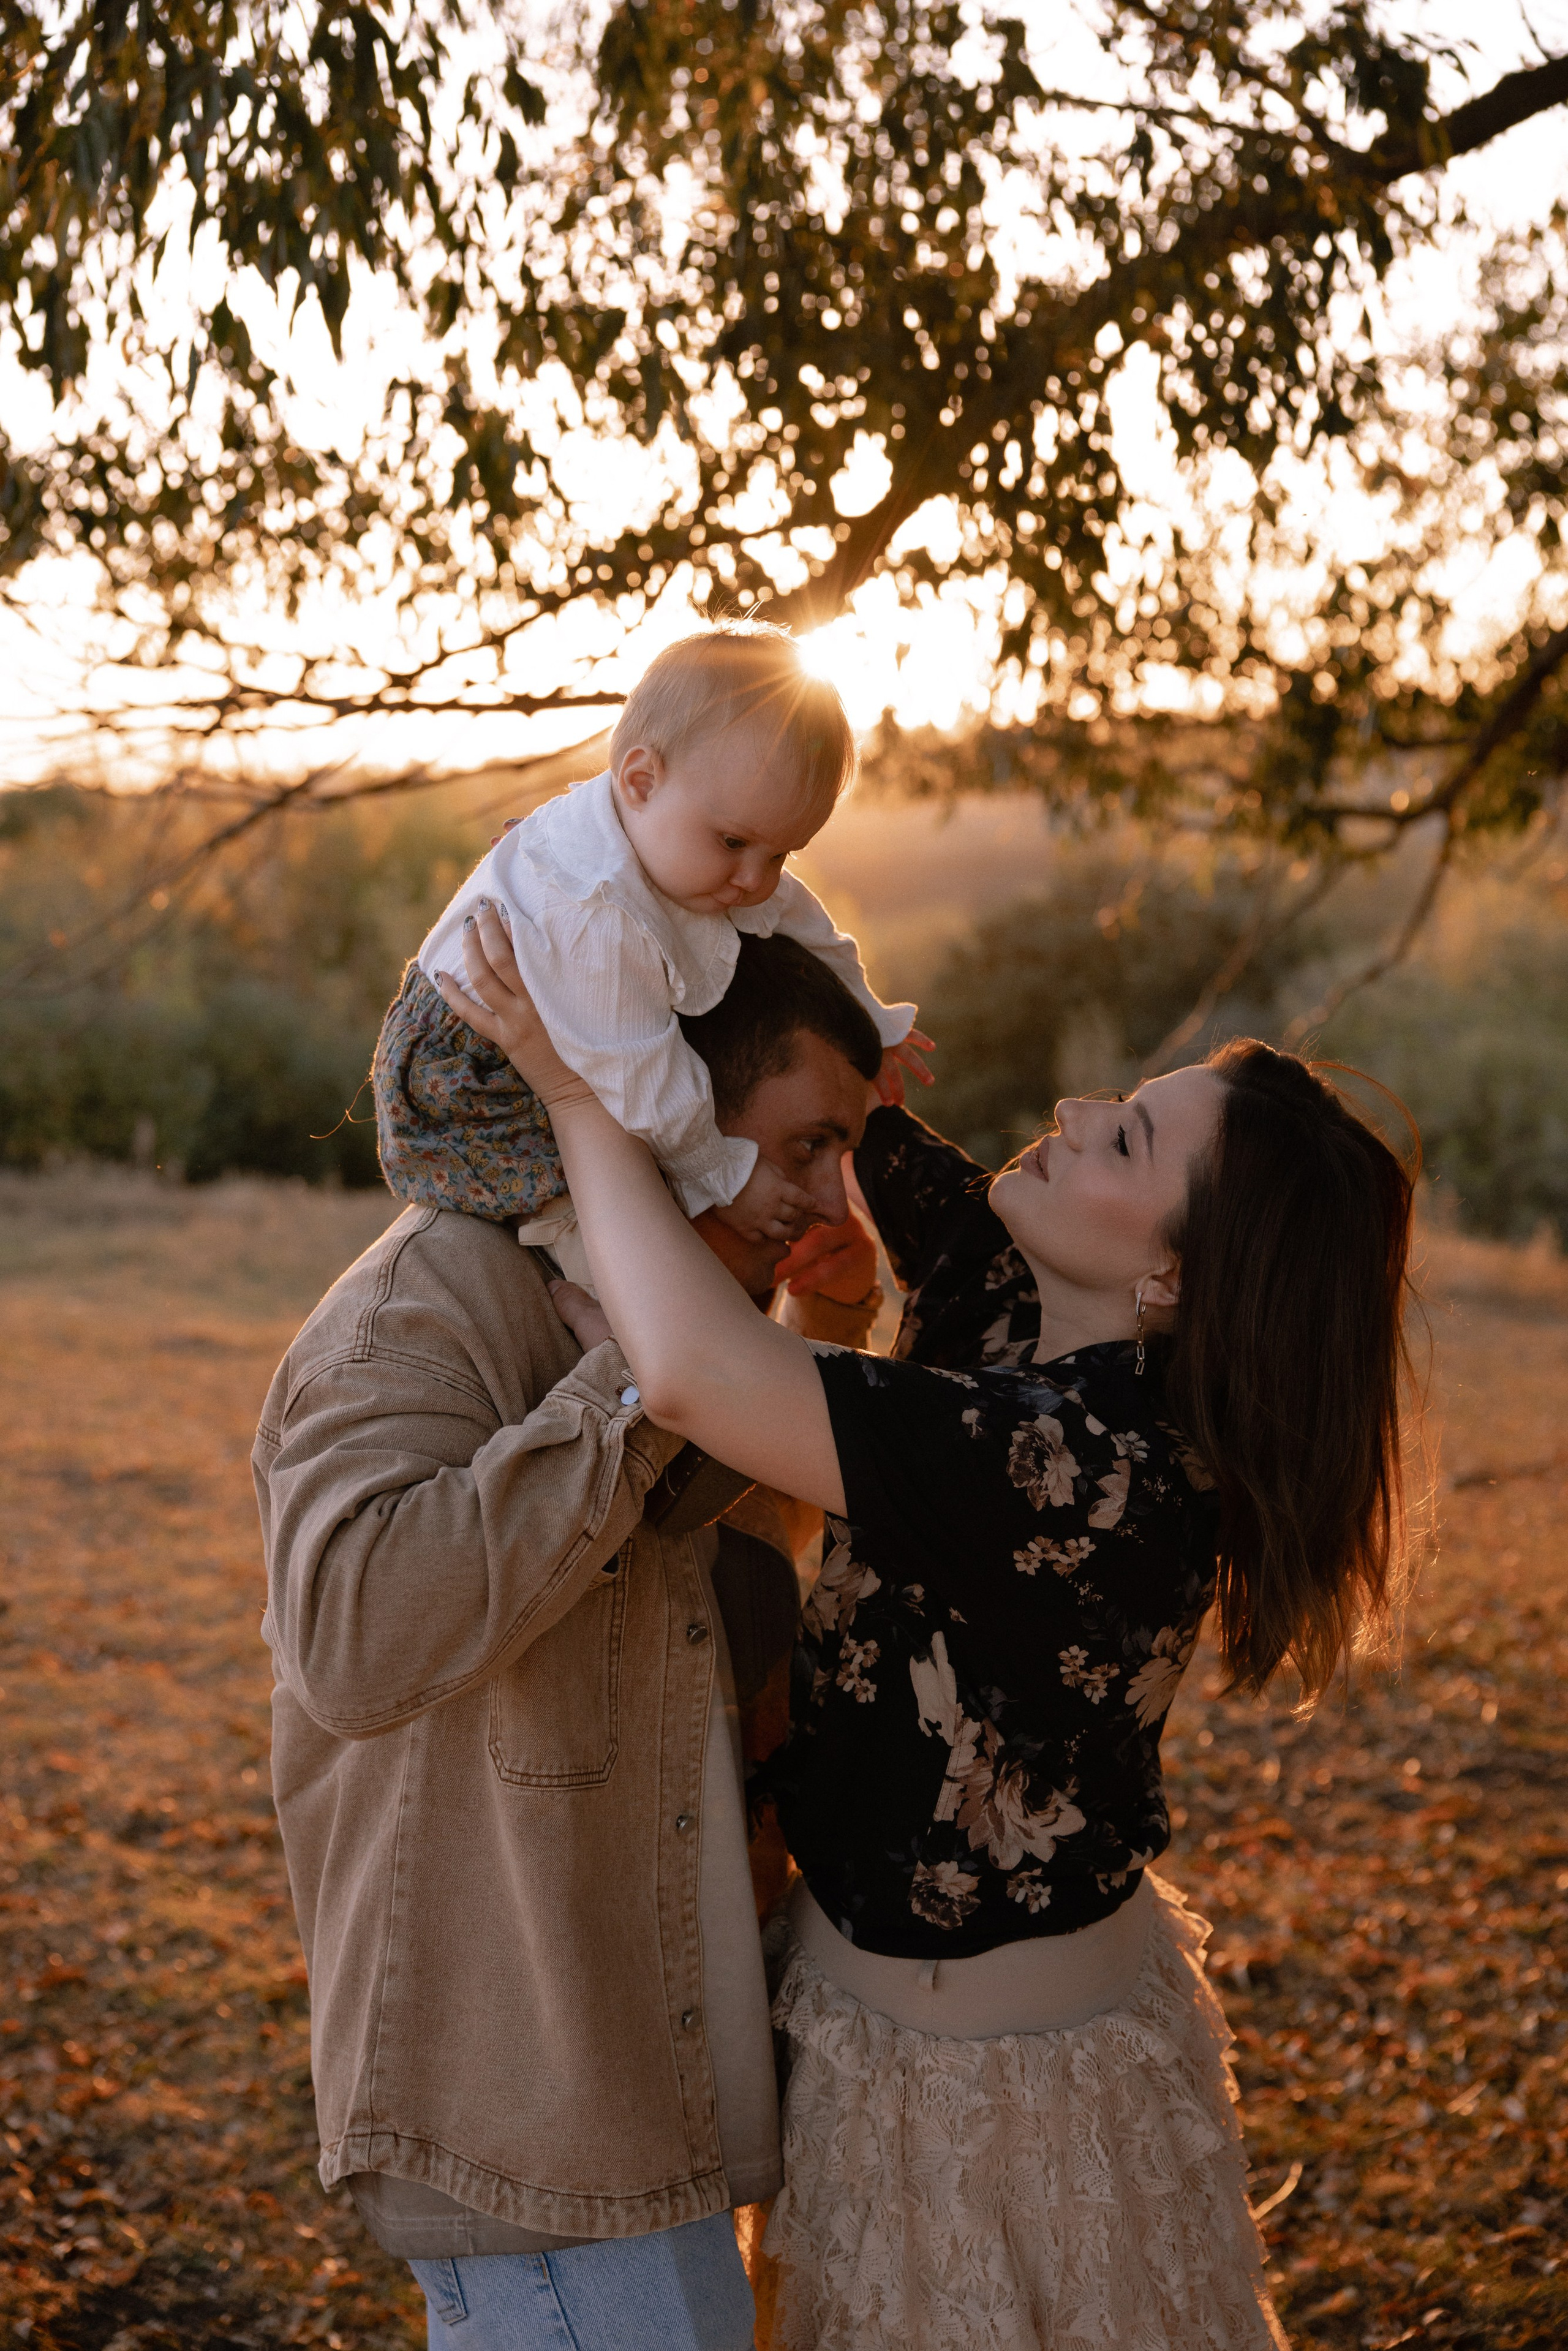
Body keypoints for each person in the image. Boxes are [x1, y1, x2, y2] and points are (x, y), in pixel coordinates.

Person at [440, 904, 1421, 2351]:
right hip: (858, 2037)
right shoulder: (1011, 1288)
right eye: (1117, 1103)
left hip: (1010, 2098)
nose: (1077, 1111)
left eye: (1129, 1141)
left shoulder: (1097, 1468)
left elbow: (704, 1375)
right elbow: (849, 1109)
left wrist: (576, 1085)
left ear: (1169, 1281)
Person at [253, 933, 886, 2351]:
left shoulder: (651, 1309)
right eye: (802, 1146)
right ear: (662, 1108)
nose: (821, 1194)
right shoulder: (427, 1306)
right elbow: (350, 1637)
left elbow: (708, 1572)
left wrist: (812, 1323)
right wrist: (631, 1382)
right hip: (531, 2113)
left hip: (636, 2052)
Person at [372, 620, 929, 1266]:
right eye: (733, 844)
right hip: (472, 1084)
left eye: (781, 852)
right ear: (639, 781)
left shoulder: (675, 832)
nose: (756, 877)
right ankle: (614, 1331)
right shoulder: (598, 909)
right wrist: (727, 1176)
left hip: (568, 1041)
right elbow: (643, 1078)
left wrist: (873, 1021)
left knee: (638, 1172)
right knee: (618, 1218)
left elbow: (805, 921)